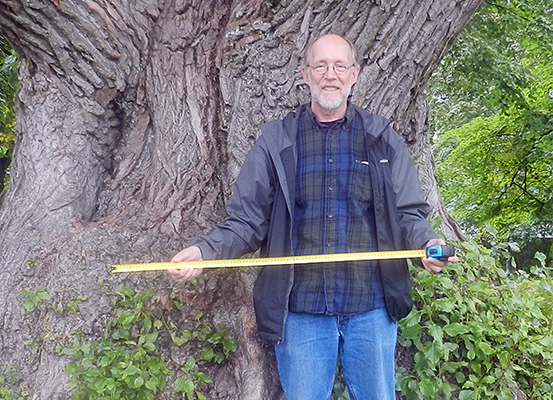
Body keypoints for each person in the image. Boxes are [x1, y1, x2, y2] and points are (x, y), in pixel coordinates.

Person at [169, 34, 457, 400]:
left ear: (354, 75)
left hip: (371, 306)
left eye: (339, 66)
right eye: (320, 65)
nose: (330, 74)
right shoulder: (276, 141)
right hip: (301, 310)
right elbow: (246, 220)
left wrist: (427, 243)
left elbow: (407, 213)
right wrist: (204, 252)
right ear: (305, 75)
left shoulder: (383, 140)